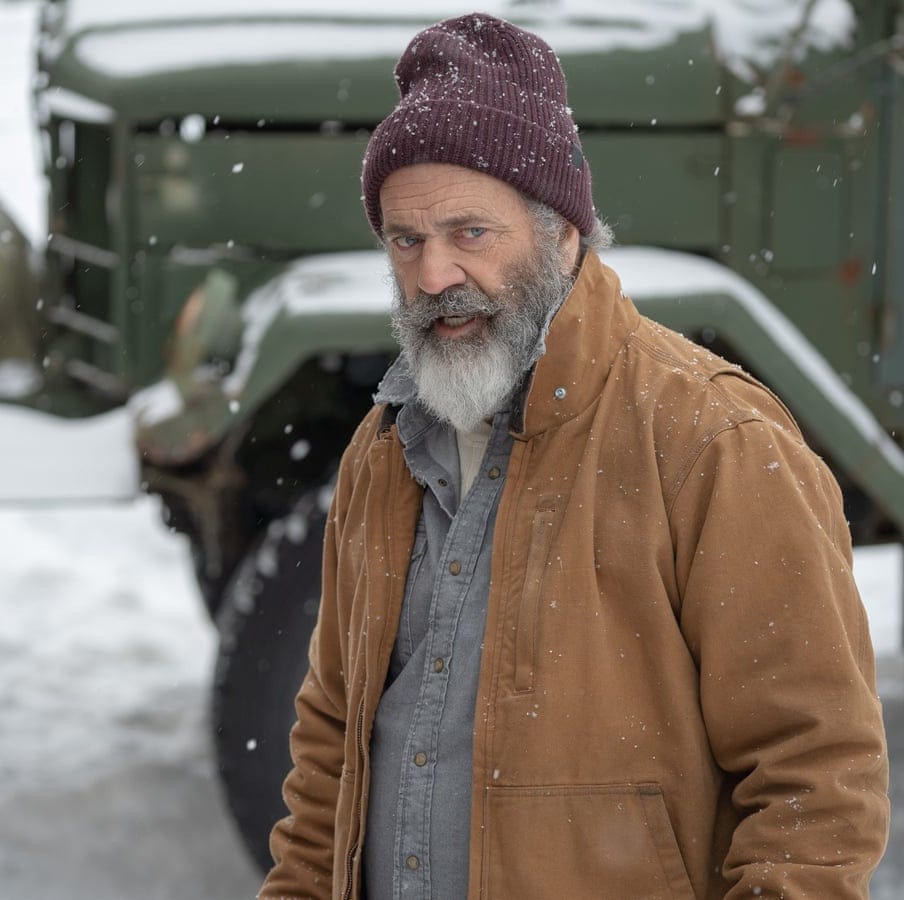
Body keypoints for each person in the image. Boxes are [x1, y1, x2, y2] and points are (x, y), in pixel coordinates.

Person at [258, 13, 889, 900]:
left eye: (470, 233)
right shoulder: (384, 451)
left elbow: (815, 781)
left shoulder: (711, 442)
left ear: (562, 236)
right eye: (407, 240)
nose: (434, 274)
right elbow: (332, 748)